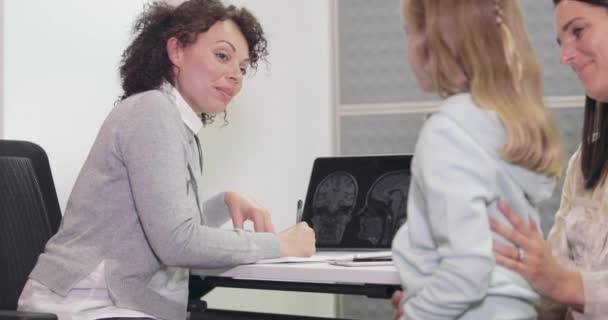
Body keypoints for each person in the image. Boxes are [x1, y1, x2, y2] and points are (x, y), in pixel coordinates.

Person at [16, 1, 315, 319]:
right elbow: (177, 243)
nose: (235, 76)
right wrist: (278, 244)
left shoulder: (179, 126)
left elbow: (169, 227)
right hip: (81, 304)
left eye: (242, 68)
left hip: (114, 302)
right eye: (222, 56)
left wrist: (223, 202)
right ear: (176, 51)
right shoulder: (152, 110)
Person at [391, 0, 563, 319]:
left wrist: (417, 313)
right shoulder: (505, 126)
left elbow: (467, 268)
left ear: (434, 44)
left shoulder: (447, 131)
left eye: (409, 33)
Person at [490, 1, 608, 319]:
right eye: (561, 41)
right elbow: (547, 287)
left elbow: (557, 282)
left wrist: (564, 284)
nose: (565, 57)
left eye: (578, 31)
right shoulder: (585, 164)